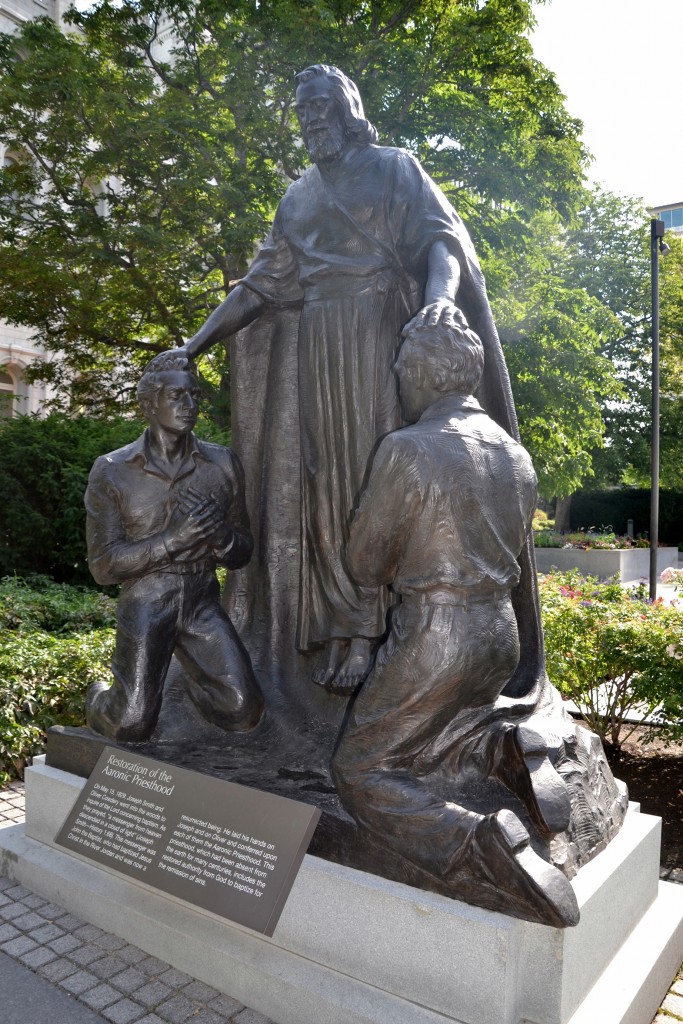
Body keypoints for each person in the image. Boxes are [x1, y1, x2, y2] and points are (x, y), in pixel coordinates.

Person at [171, 63, 537, 700]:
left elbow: (441, 242)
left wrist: (440, 304)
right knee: (323, 484)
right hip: (318, 341)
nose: (311, 119)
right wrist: (193, 346)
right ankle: (341, 627)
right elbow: (258, 286)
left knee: (375, 478)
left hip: (378, 333)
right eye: (302, 109)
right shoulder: (297, 197)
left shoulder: (394, 168)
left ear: (347, 108)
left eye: (321, 105)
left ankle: (373, 633)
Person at [330, 318, 578, 926]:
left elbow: (365, 560)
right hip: (499, 633)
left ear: (419, 373)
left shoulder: (408, 447)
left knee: (360, 768)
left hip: (436, 630)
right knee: (443, 723)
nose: (398, 382)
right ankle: (505, 745)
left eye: (401, 372)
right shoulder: (515, 455)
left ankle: (479, 844)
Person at [84, 352, 265, 743]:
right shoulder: (113, 469)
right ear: (149, 404)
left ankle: (174, 687)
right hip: (148, 600)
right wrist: (173, 540)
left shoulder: (221, 464)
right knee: (130, 725)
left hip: (201, 599)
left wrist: (223, 538)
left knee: (242, 710)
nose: (190, 405)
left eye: (194, 395)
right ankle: (101, 697)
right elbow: (103, 567)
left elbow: (243, 551)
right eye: (176, 396)